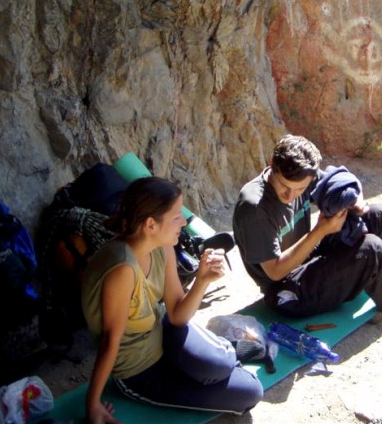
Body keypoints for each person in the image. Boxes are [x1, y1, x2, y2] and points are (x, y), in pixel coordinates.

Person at [233, 134, 382, 354]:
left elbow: (340, 182)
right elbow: (274, 272)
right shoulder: (254, 207)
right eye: (284, 187)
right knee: (370, 249)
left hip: (307, 259)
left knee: (376, 214)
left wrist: (356, 199)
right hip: (285, 291)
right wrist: (320, 231)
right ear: (273, 164)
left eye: (300, 189)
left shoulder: (303, 174)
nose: (290, 196)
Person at [81, 177, 263, 423]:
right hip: (140, 370)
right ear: (150, 224)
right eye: (176, 215)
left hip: (164, 332)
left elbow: (177, 315)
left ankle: (225, 353)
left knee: (219, 367)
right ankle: (225, 354)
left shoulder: (161, 246)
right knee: (250, 392)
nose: (184, 221)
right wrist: (92, 404)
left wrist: (202, 280)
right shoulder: (123, 270)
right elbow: (110, 341)